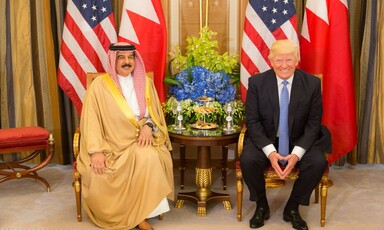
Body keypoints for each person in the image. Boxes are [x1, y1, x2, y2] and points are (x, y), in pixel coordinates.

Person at [76, 42, 174, 230]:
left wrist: (148, 126)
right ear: (113, 61)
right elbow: (91, 121)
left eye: (130, 57)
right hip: (110, 143)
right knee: (99, 173)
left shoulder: (146, 83)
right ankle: (130, 215)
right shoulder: (99, 86)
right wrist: (96, 151)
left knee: (150, 157)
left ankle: (142, 215)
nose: (126, 62)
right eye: (121, 57)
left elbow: (155, 116)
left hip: (141, 139)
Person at [240, 39, 330, 230]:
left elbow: (314, 123)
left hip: (299, 139)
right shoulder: (256, 82)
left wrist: (296, 154)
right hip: (267, 138)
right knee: (248, 159)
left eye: (289, 60)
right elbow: (253, 122)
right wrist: (271, 153)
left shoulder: (312, 84)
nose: (284, 65)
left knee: (317, 162)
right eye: (279, 60)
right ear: (270, 60)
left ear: (297, 60)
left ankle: (293, 207)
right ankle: (262, 205)